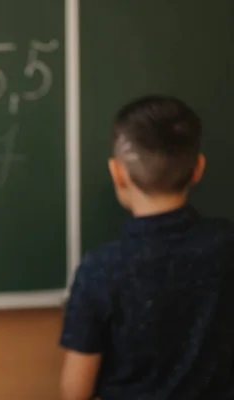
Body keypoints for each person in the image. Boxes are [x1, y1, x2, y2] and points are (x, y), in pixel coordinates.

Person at [60, 95, 234, 400]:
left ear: (118, 173)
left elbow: (75, 391)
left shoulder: (101, 269)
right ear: (198, 168)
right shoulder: (227, 245)